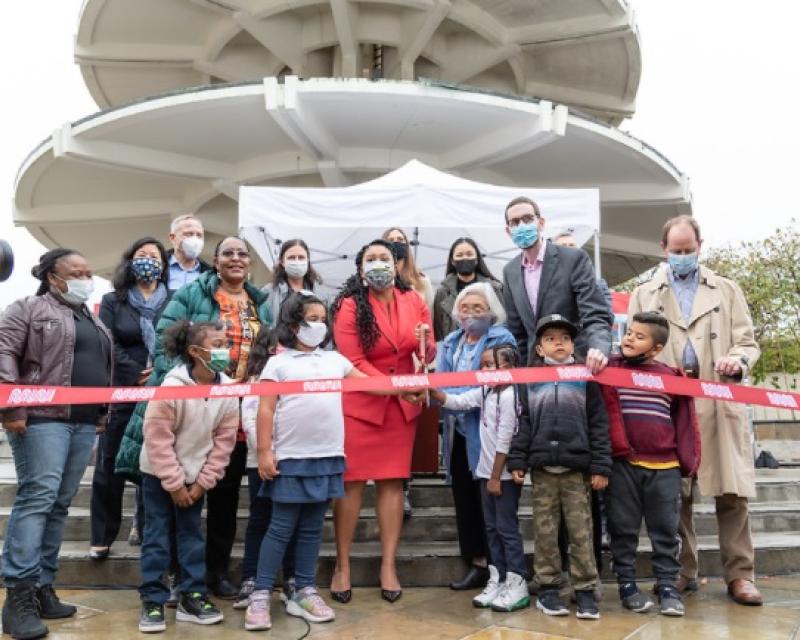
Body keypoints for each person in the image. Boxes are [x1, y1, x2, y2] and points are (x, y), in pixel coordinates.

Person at [116, 236, 272, 599]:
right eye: (228, 253)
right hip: (190, 410)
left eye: (242, 254)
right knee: (176, 499)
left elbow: (266, 351)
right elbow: (166, 343)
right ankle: (174, 576)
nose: (236, 258)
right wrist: (190, 387)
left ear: (249, 262)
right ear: (214, 261)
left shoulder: (259, 303)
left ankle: (213, 573)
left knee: (225, 497)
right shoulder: (191, 295)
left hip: (235, 412)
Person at [628, 215, 762, 605]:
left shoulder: (727, 289)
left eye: (689, 250)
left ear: (700, 246)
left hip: (719, 401)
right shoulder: (645, 293)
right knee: (675, 493)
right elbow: (634, 344)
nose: (682, 256)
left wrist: (737, 360)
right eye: (676, 251)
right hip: (670, 406)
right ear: (663, 249)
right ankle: (684, 570)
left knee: (732, 494)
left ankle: (740, 575)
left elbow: (747, 342)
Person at [0, 249, 112, 640]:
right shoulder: (27, 308)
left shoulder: (90, 317)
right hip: (42, 419)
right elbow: (4, 354)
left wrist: (100, 412)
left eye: (88, 271)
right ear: (52, 276)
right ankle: (18, 597)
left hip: (81, 423)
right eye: (76, 272)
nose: (85, 277)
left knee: (60, 504)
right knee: (38, 498)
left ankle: (44, 586)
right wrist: (10, 407)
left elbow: (99, 368)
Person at [329, 240, 436, 603]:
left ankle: (388, 565)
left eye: (384, 258)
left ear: (397, 264)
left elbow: (427, 349)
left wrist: (426, 347)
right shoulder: (348, 305)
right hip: (363, 404)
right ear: (361, 270)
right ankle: (342, 565)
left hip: (401, 409)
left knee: (392, 485)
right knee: (352, 485)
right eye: (370, 259)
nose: (378, 264)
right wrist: (396, 388)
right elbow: (352, 360)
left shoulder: (415, 301)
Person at [137, 320, 239, 633]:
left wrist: (201, 483)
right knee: (156, 536)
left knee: (192, 535)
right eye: (217, 344)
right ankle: (153, 599)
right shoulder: (171, 388)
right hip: (159, 475)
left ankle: (192, 594)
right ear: (195, 351)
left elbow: (225, 443)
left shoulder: (229, 391)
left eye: (226, 344)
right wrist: (174, 483)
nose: (225, 350)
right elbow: (157, 439)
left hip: (196, 477)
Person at [507, 314, 611, 620]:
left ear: (573, 344)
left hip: (576, 471)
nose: (559, 343)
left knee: (581, 533)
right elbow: (523, 421)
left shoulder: (584, 378)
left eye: (565, 338)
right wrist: (518, 459)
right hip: (542, 471)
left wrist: (601, 466)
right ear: (539, 348)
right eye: (550, 338)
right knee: (545, 532)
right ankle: (549, 588)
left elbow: (598, 423)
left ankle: (586, 590)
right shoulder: (531, 379)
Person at [600, 312, 700, 617]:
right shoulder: (609, 369)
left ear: (656, 349)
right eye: (629, 332)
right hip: (624, 465)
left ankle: (668, 586)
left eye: (639, 336)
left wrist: (688, 460)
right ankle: (627, 585)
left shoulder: (671, 377)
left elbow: (685, 421)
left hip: (665, 467)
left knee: (666, 530)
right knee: (622, 528)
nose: (629, 338)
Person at [430, 344, 528, 612]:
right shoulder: (485, 391)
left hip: (502, 476)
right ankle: (497, 578)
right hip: (485, 473)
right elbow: (458, 402)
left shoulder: (510, 395)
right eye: (482, 365)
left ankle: (517, 581)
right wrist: (432, 390)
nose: (483, 370)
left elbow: (505, 439)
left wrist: (496, 477)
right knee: (491, 528)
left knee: (507, 529)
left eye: (489, 365)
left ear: (508, 368)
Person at [90, 237, 171, 560]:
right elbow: (108, 339)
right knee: (109, 465)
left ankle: (151, 530)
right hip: (124, 390)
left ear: (164, 265)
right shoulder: (114, 300)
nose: (148, 260)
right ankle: (103, 535)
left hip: (163, 389)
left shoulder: (175, 299)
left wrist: (158, 370)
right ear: (130, 261)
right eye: (142, 254)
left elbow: (179, 338)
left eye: (154, 255)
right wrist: (137, 370)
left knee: (154, 464)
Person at [437, 282, 516, 591]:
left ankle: (503, 568)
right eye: (465, 308)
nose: (470, 314)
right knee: (465, 499)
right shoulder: (450, 342)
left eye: (478, 308)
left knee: (490, 499)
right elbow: (442, 382)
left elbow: (494, 381)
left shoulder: (501, 338)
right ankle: (478, 564)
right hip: (455, 431)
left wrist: (453, 395)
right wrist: (448, 394)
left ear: (491, 311)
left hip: (487, 430)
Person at [501, 196, 612, 372]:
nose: (522, 226)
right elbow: (518, 331)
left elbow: (595, 314)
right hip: (535, 375)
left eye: (528, 219)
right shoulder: (510, 271)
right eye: (515, 222)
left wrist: (599, 348)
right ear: (508, 231)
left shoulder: (573, 259)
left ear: (541, 223)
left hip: (578, 367)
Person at [236, 327, 296, 610]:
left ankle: (292, 578)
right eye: (277, 346)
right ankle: (252, 578)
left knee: (293, 521)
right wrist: (266, 449)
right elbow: (251, 418)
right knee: (260, 519)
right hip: (260, 459)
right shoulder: (257, 379)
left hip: (295, 458)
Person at [433, 237, 504, 342]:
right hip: (453, 353)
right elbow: (439, 331)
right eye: (459, 255)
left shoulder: (494, 288)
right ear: (452, 261)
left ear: (476, 259)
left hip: (487, 352)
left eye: (469, 254)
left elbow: (503, 323)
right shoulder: (442, 292)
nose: (464, 258)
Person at [262, 238, 330, 322]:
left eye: (301, 257)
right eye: (291, 258)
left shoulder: (322, 294)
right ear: (282, 262)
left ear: (308, 261)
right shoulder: (269, 292)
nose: (296, 261)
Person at [552, 232, 613, 309]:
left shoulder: (598, 284)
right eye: (563, 246)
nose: (569, 250)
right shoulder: (545, 284)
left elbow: (605, 314)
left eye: (572, 245)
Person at [382, 228, 434, 311]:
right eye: (391, 240)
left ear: (406, 245)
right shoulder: (379, 281)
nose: (396, 242)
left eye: (400, 239)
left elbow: (430, 315)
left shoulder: (422, 281)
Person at [166, 214, 211, 291]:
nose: (195, 239)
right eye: (189, 234)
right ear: (173, 238)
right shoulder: (159, 267)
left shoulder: (210, 275)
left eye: (199, 235)